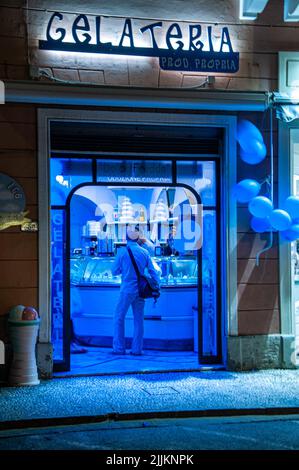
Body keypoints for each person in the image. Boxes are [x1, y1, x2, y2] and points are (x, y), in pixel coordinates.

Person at [112, 226, 160, 356]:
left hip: (127, 290)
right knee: (138, 320)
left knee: (119, 318)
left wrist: (124, 270)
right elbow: (153, 271)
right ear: (138, 237)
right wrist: (157, 286)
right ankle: (137, 349)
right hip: (140, 291)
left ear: (126, 238)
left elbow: (114, 271)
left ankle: (119, 348)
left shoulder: (121, 252)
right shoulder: (144, 252)